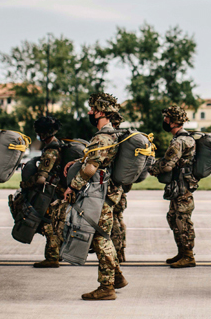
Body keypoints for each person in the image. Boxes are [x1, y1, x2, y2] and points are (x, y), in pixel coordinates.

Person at [64, 93, 127, 300]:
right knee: (102, 235)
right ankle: (116, 277)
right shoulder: (112, 135)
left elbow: (91, 168)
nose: (90, 113)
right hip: (107, 194)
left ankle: (106, 287)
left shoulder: (102, 137)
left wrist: (72, 188)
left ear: (101, 112)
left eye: (92, 109)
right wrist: (75, 164)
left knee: (101, 238)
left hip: (100, 196)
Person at [148, 106, 198, 269]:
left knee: (182, 220)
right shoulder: (185, 138)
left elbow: (168, 165)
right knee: (173, 217)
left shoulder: (179, 141)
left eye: (166, 118)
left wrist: (153, 168)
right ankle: (182, 252)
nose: (164, 121)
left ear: (172, 121)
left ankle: (188, 256)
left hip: (182, 186)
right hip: (180, 184)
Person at [26, 116, 65, 268]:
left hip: (52, 193)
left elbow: (41, 178)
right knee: (56, 224)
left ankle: (52, 257)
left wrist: (26, 183)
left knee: (49, 225)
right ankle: (57, 254)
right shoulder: (59, 145)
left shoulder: (51, 151)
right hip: (59, 191)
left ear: (42, 134)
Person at [109, 111, 128, 262]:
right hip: (120, 188)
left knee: (113, 221)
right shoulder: (122, 139)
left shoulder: (111, 139)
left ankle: (116, 252)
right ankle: (121, 251)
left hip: (111, 188)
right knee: (119, 218)